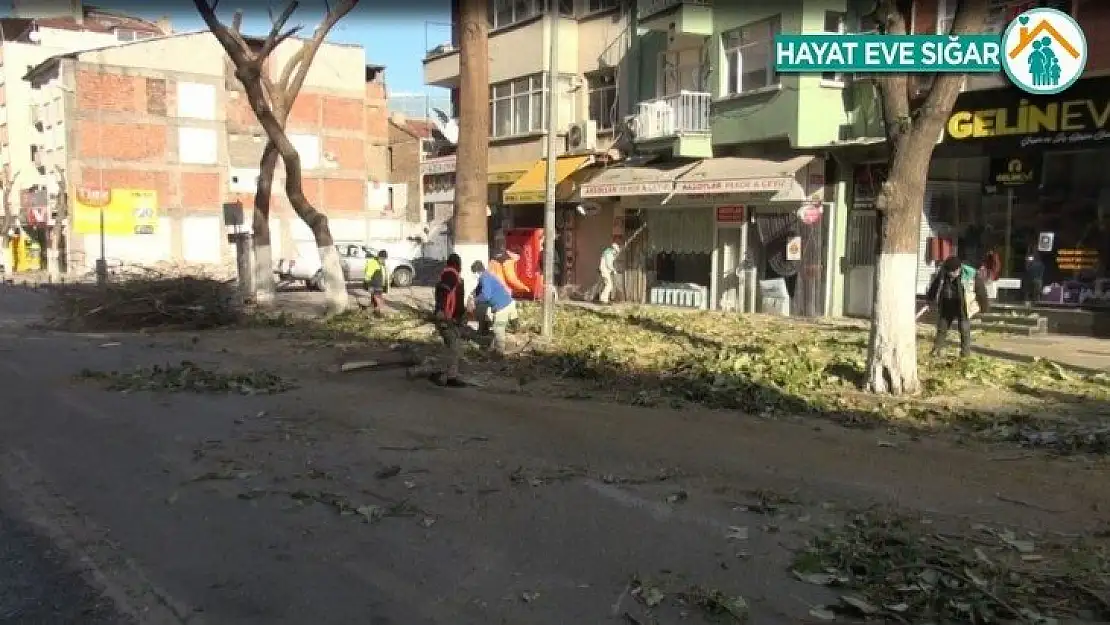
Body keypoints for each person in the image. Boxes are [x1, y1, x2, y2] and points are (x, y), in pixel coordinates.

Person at [409, 254, 467, 387]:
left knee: (453, 347)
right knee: (453, 348)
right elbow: (443, 292)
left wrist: (461, 315)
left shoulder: (452, 276)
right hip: (445, 318)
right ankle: (443, 374)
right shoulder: (450, 275)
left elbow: (455, 299)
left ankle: (444, 374)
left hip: (450, 319)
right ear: (457, 265)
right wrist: (441, 311)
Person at [925, 256, 988, 358]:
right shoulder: (943, 273)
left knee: (964, 330)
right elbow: (935, 286)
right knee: (942, 328)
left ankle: (965, 354)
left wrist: (984, 307)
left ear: (959, 269)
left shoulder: (971, 274)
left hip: (963, 305)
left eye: (953, 272)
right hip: (947, 304)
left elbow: (981, 291)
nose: (951, 274)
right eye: (949, 272)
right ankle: (936, 350)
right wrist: (929, 300)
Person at [470, 260, 516, 355]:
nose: (473, 276)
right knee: (496, 327)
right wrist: (473, 294)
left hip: (502, 306)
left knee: (498, 329)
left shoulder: (485, 278)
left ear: (478, 272)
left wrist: (475, 300)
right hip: (506, 304)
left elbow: (486, 296)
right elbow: (479, 289)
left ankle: (500, 352)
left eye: (473, 273)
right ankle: (493, 348)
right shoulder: (486, 276)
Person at [363, 249, 389, 316]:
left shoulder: (382, 264)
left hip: (380, 286)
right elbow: (367, 276)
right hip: (374, 285)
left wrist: (386, 286)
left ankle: (373, 312)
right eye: (382, 258)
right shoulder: (373, 263)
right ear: (378, 257)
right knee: (378, 300)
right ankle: (380, 313)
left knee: (375, 300)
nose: (383, 260)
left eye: (384, 259)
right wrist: (369, 285)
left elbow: (384, 275)